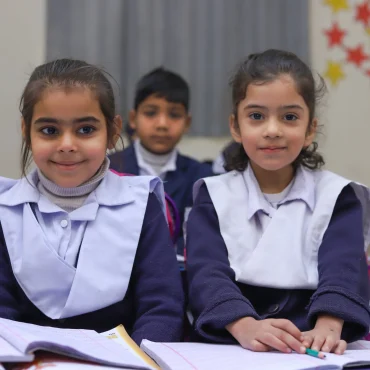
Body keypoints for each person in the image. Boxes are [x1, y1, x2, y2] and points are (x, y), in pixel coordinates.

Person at [186, 49, 370, 355]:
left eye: (290, 117)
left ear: (311, 128)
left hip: (313, 335)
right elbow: (206, 272)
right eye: (256, 116)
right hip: (233, 339)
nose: (273, 130)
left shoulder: (338, 195)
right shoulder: (213, 195)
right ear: (235, 126)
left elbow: (344, 267)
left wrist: (329, 324)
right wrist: (244, 324)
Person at [0, 59, 184, 345]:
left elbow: (161, 307)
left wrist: (139, 360)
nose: (67, 144)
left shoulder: (141, 205)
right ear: (26, 131)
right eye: (49, 130)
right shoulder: (5, 209)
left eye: (85, 130)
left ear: (112, 132)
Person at [109, 67, 213, 257]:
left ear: (187, 123)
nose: (162, 124)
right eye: (151, 113)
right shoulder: (109, 170)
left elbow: (199, 241)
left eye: (174, 115)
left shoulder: (201, 178)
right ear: (133, 119)